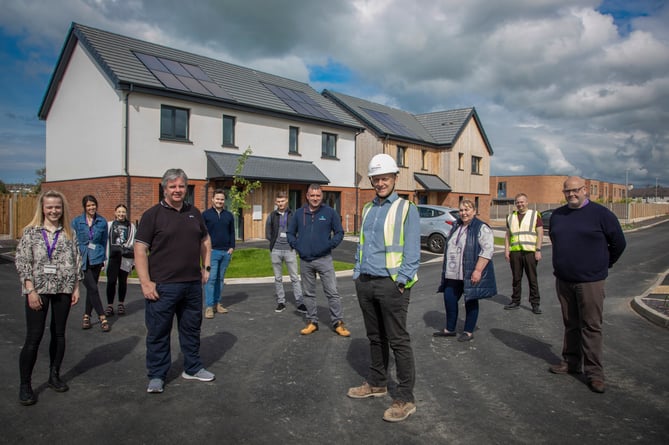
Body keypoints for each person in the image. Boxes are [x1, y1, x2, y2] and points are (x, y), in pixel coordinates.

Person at [347, 154, 421, 423]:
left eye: (385, 178)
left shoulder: (406, 208)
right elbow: (362, 245)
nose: (380, 183)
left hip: (392, 285)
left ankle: (405, 397)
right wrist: (357, 272)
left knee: (399, 340)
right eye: (376, 179)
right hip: (366, 282)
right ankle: (377, 383)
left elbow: (413, 252)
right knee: (375, 337)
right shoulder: (368, 209)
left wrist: (400, 281)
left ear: (394, 178)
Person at [134, 168, 215, 394]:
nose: (177, 190)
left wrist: (206, 267)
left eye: (181, 186)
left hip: (191, 285)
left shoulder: (194, 213)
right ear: (164, 188)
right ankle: (157, 375)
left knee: (191, 330)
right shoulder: (153, 215)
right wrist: (145, 282)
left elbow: (205, 240)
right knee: (159, 332)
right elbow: (140, 248)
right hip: (163, 286)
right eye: (173, 186)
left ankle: (193, 367)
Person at [548, 176, 626, 394]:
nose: (571, 194)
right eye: (567, 191)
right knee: (570, 323)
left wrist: (604, 264)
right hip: (564, 279)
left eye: (575, 190)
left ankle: (594, 374)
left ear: (585, 190)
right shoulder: (558, 215)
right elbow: (557, 241)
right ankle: (571, 362)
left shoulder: (601, 215)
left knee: (591, 326)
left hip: (591, 281)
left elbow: (619, 243)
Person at [15, 190, 82, 406]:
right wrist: (30, 290)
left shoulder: (69, 233)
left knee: (59, 334)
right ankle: (25, 385)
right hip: (39, 290)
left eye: (57, 207)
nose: (54, 211)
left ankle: (54, 375)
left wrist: (76, 287)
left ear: (63, 209)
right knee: (33, 338)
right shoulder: (31, 232)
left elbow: (77, 259)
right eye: (50, 207)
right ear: (42, 208)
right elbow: (23, 261)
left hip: (63, 288)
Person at [287, 183, 349, 336]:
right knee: (308, 293)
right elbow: (290, 233)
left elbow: (339, 232)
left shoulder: (329, 213)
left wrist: (329, 245)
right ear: (307, 196)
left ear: (322, 196)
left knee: (332, 292)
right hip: (305, 260)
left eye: (318, 196)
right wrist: (297, 246)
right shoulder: (299, 213)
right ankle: (312, 321)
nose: (315, 198)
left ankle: (338, 323)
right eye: (312, 195)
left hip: (324, 259)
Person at [434, 199, 497, 342]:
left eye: (467, 210)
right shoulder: (456, 225)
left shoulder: (481, 227)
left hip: (470, 271)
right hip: (453, 272)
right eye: (461, 210)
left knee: (470, 300)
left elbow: (487, 250)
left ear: (474, 211)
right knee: (449, 297)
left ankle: (468, 331)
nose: (463, 213)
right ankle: (450, 329)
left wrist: (478, 270)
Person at [71, 195, 109, 332]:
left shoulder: (102, 221)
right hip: (82, 259)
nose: (91, 207)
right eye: (88, 206)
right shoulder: (77, 221)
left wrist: (104, 258)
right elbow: (72, 240)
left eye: (93, 205)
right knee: (92, 288)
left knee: (91, 290)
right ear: (84, 207)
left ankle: (86, 316)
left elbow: (104, 241)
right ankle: (102, 316)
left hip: (97, 258)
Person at [265, 191, 306, 313]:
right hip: (276, 250)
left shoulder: (294, 215)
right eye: (278, 201)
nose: (280, 203)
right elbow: (268, 233)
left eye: (282, 201)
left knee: (294, 277)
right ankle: (281, 302)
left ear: (286, 200)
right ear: (275, 202)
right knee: (278, 278)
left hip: (290, 250)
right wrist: (274, 242)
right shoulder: (272, 216)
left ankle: (300, 302)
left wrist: (294, 244)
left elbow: (299, 231)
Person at [503, 193, 543, 314]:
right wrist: (506, 250)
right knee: (516, 278)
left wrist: (538, 250)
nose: (520, 204)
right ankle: (515, 300)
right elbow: (508, 235)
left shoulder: (534, 215)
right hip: (515, 252)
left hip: (530, 252)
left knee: (532, 278)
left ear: (527, 202)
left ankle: (535, 303)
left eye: (522, 202)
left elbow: (540, 233)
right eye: (518, 202)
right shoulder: (510, 217)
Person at [202, 189, 235, 318]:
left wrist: (232, 247)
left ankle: (217, 304)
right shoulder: (205, 215)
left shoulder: (229, 215)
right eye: (217, 199)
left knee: (220, 280)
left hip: (225, 252)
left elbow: (232, 232)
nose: (220, 201)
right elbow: (202, 233)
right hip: (212, 252)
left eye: (222, 199)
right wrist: (206, 249)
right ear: (212, 200)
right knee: (211, 279)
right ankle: (209, 307)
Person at [104, 204, 136, 317]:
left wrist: (134, 261)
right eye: (119, 212)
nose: (121, 214)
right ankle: (110, 305)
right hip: (112, 258)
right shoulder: (109, 225)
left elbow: (133, 243)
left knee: (123, 282)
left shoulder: (131, 226)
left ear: (126, 213)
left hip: (125, 258)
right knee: (111, 282)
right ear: (115, 212)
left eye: (123, 212)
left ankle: (121, 304)